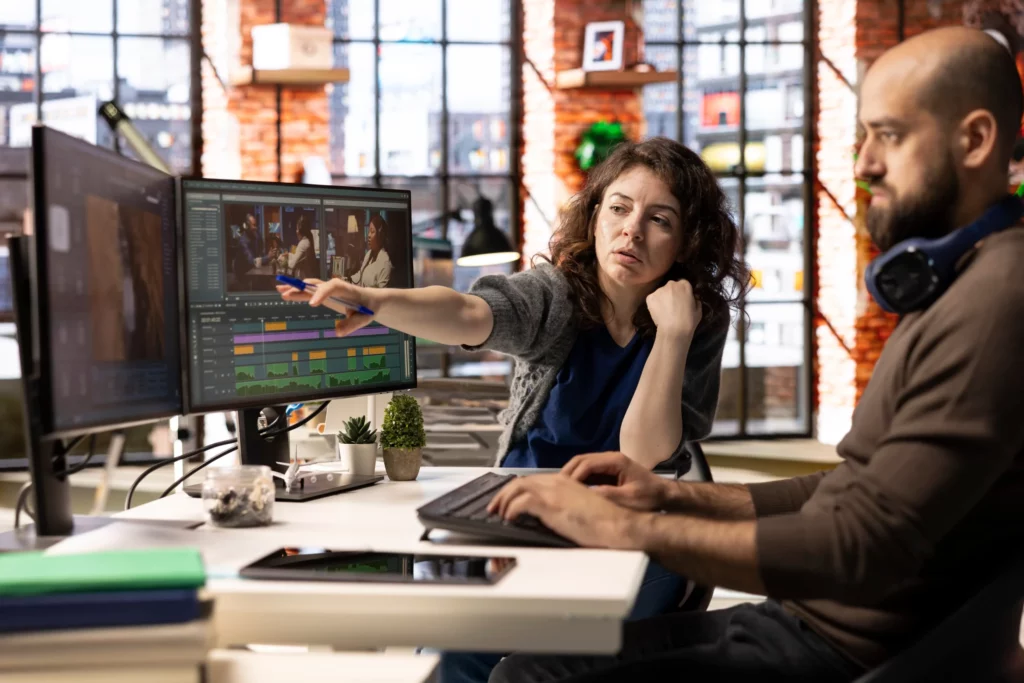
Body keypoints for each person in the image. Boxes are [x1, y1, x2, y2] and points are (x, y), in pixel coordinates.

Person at [473, 26, 1024, 683]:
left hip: (834, 650)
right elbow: (848, 487)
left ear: (976, 139)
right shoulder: (960, 280)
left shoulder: (998, 298)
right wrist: (664, 498)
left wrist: (629, 528)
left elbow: (859, 544)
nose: (866, 164)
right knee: (527, 661)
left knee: (523, 676)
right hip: (801, 622)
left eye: (891, 135)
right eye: (865, 139)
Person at [278, 137, 746, 683]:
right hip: (526, 515)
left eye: (659, 219)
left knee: (561, 662)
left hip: (633, 528)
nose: (632, 230)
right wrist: (379, 302)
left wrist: (672, 335)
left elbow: (644, 452)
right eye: (618, 208)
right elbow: (469, 312)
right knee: (453, 655)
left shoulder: (694, 320)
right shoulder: (555, 296)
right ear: (595, 216)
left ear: (687, 241)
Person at [349, 214, 393, 288]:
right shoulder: (369, 254)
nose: (369, 235)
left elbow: (382, 295)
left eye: (372, 232)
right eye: (369, 231)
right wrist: (345, 280)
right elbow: (360, 275)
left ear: (380, 235)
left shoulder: (385, 263)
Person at [280, 215, 317, 280]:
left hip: (303, 279)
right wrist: (288, 255)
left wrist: (284, 260)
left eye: (297, 229)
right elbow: (299, 258)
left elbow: (292, 264)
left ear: (300, 231)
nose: (296, 231)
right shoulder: (307, 241)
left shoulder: (303, 244)